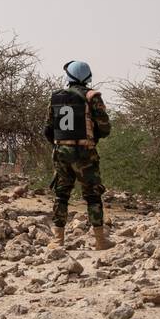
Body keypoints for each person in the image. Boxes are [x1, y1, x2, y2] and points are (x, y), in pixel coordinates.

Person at [44, 60, 113, 250]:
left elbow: (48, 129)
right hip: (85, 153)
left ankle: (58, 240)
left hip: (61, 152)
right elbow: (105, 129)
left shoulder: (55, 97)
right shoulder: (92, 97)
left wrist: (61, 146)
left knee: (61, 195)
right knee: (92, 196)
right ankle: (100, 241)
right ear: (87, 77)